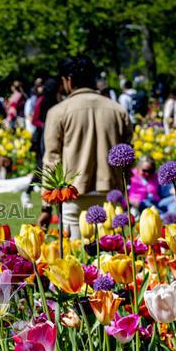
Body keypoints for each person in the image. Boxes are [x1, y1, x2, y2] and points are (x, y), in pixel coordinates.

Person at [42, 55, 133, 239]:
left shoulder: (58, 112)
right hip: (110, 192)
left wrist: (46, 206)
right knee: (111, 260)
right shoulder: (118, 111)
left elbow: (52, 160)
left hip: (73, 194)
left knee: (75, 258)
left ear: (69, 80)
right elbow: (128, 155)